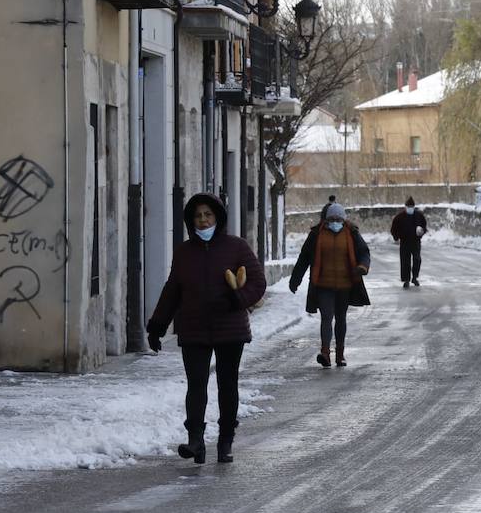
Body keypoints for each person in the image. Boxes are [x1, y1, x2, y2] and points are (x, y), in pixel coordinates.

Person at [146, 193, 266, 464]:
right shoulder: (184, 252)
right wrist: (157, 326)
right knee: (196, 385)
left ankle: (225, 442)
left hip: (230, 328)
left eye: (208, 215)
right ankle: (196, 441)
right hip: (194, 328)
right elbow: (172, 291)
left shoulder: (237, 247)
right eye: (198, 216)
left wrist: (237, 299)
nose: (203, 220)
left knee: (227, 384)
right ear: (191, 221)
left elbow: (257, 284)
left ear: (217, 217)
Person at [289, 201, 371, 368]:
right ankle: (325, 352)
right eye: (332, 218)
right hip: (323, 285)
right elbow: (304, 258)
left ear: (344, 219)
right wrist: (295, 279)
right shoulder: (316, 234)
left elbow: (364, 252)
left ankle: (340, 354)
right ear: (326, 219)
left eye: (338, 218)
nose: (335, 222)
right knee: (326, 317)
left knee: (341, 319)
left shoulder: (352, 233)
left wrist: (362, 267)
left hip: (345, 285)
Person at [390, 195, 428, 288]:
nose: (410, 209)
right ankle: (406, 279)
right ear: (405, 207)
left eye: (412, 207)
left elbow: (424, 226)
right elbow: (393, 228)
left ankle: (415, 277)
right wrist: (396, 237)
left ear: (414, 207)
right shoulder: (399, 217)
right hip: (405, 242)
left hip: (416, 241)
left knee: (417, 259)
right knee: (405, 261)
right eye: (408, 207)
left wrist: (421, 232)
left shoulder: (419, 216)